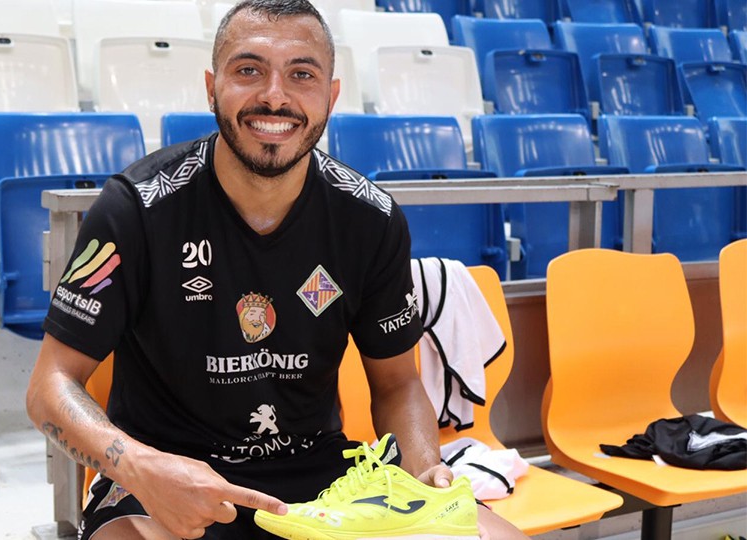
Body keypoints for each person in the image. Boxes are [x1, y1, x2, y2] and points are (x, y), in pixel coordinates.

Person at [26, 1, 530, 539]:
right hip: (164, 478)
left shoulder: (370, 219)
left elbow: (398, 384)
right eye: (249, 70)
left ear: (331, 96)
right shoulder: (134, 209)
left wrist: (421, 469)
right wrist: (140, 468)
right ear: (211, 86)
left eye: (302, 74)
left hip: (324, 480)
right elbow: (50, 385)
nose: (274, 95)